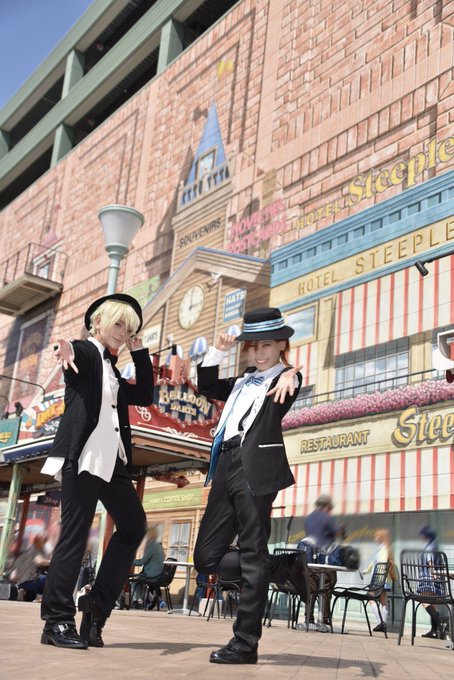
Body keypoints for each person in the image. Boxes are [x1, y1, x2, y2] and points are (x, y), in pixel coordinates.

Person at [39, 293, 154, 649]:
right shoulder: (88, 354)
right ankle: (56, 622)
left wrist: (139, 352)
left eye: (128, 328)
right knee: (75, 536)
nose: (123, 332)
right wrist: (66, 348)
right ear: (98, 322)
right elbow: (75, 352)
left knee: (134, 525)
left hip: (113, 461)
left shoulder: (113, 370)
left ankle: (96, 608)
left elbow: (145, 394)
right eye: (118, 324)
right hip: (85, 458)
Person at [194, 307, 306, 665]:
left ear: (282, 344)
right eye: (254, 346)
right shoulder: (243, 380)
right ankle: (281, 567)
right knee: (205, 558)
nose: (259, 353)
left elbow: (291, 385)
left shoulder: (285, 379)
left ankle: (245, 643)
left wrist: (290, 374)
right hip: (225, 464)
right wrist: (218, 350)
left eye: (267, 345)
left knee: (252, 550)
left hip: (254, 468)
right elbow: (206, 385)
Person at [298, 494, 339, 629]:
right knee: (327, 584)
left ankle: (308, 619)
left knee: (311, 588)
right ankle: (324, 620)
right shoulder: (327, 518)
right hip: (324, 559)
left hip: (308, 561)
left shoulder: (309, 518)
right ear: (327, 507)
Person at [362, 528, 396, 633]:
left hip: (379, 578)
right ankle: (383, 623)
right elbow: (377, 563)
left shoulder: (382, 549)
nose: (375, 537)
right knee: (383, 601)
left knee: (370, 599)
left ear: (381, 537)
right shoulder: (386, 548)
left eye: (377, 536)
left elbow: (380, 564)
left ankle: (381, 622)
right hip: (385, 580)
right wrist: (367, 570)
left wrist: (375, 577)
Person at [418, 525, 444, 639]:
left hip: (428, 579)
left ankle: (439, 623)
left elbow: (430, 563)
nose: (420, 537)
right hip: (436, 580)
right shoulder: (436, 546)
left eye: (422, 535)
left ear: (426, 535)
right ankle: (434, 631)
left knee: (424, 601)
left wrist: (433, 574)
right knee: (433, 605)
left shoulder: (429, 547)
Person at [130, 525, 165, 608]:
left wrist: (130, 561)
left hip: (152, 575)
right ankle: (144, 600)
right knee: (139, 580)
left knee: (134, 582)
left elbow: (142, 562)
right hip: (159, 575)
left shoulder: (151, 546)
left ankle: (136, 601)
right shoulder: (159, 546)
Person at [9, 534, 50, 601]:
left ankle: (24, 591)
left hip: (21, 583)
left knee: (31, 596)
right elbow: (39, 561)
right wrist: (52, 562)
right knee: (49, 580)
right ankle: (48, 598)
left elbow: (13, 576)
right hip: (34, 580)